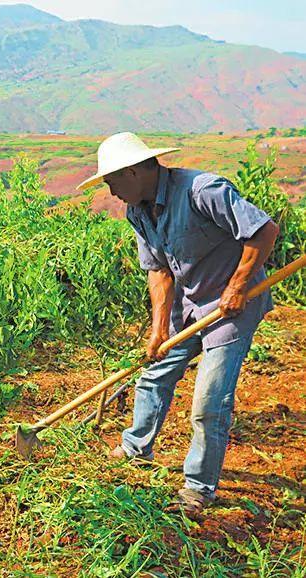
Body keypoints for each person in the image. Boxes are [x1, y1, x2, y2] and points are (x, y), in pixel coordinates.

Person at [77, 132, 280, 515]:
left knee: (208, 403)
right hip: (188, 304)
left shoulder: (202, 190)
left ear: (133, 172)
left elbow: (263, 230)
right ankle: (137, 447)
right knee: (154, 374)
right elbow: (158, 272)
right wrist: (158, 330)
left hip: (231, 307)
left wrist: (237, 286)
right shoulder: (138, 209)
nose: (111, 191)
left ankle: (198, 488)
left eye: (111, 182)